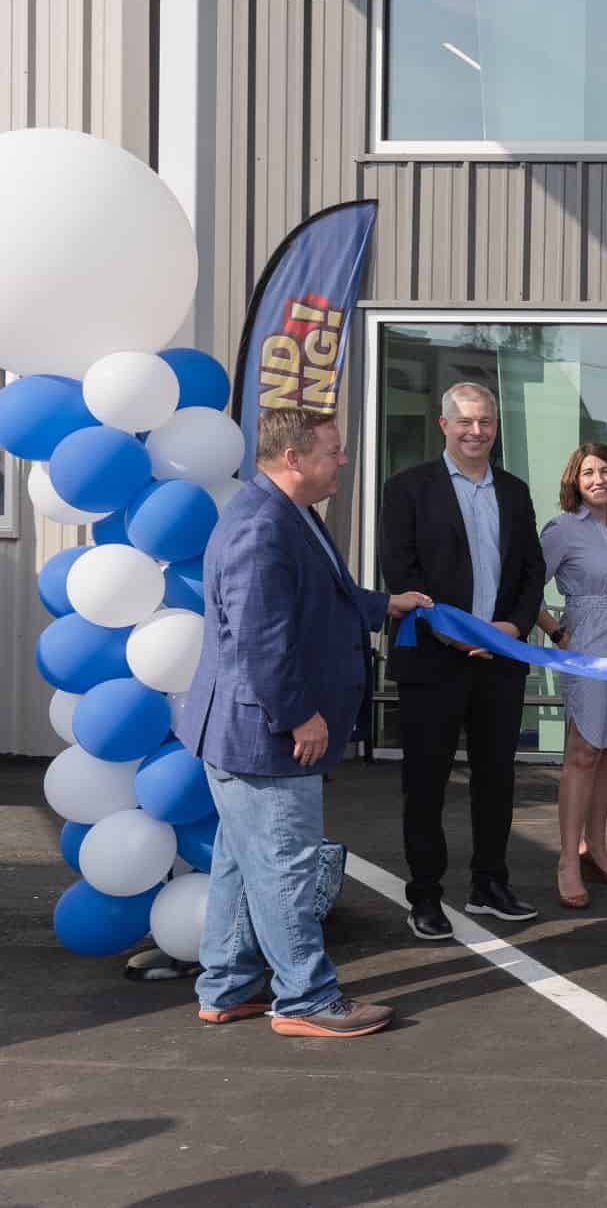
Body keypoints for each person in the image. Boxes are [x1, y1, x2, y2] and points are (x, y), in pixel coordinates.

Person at [178, 408, 431, 1036]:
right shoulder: (263, 526)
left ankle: (228, 986)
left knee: (243, 863)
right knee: (286, 865)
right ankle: (307, 1001)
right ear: (292, 458)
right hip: (264, 735)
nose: (342, 460)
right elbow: (261, 641)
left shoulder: (287, 513)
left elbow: (322, 598)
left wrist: (384, 604)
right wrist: (299, 717)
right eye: (333, 451)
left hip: (247, 731)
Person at [380, 382, 547, 940]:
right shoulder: (407, 489)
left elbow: (531, 572)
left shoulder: (516, 491)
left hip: (499, 661)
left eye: (487, 423)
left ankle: (489, 883)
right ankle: (425, 895)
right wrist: (454, 633)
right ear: (443, 425)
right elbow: (401, 574)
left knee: (497, 778)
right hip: (433, 660)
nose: (477, 432)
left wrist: (512, 629)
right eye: (466, 422)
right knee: (426, 782)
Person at [535, 442, 607, 909]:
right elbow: (527, 587)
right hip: (587, 648)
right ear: (574, 482)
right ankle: (566, 859)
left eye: (606, 471)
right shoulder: (562, 529)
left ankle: (596, 848)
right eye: (588, 473)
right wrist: (557, 633)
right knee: (582, 752)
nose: (599, 479)